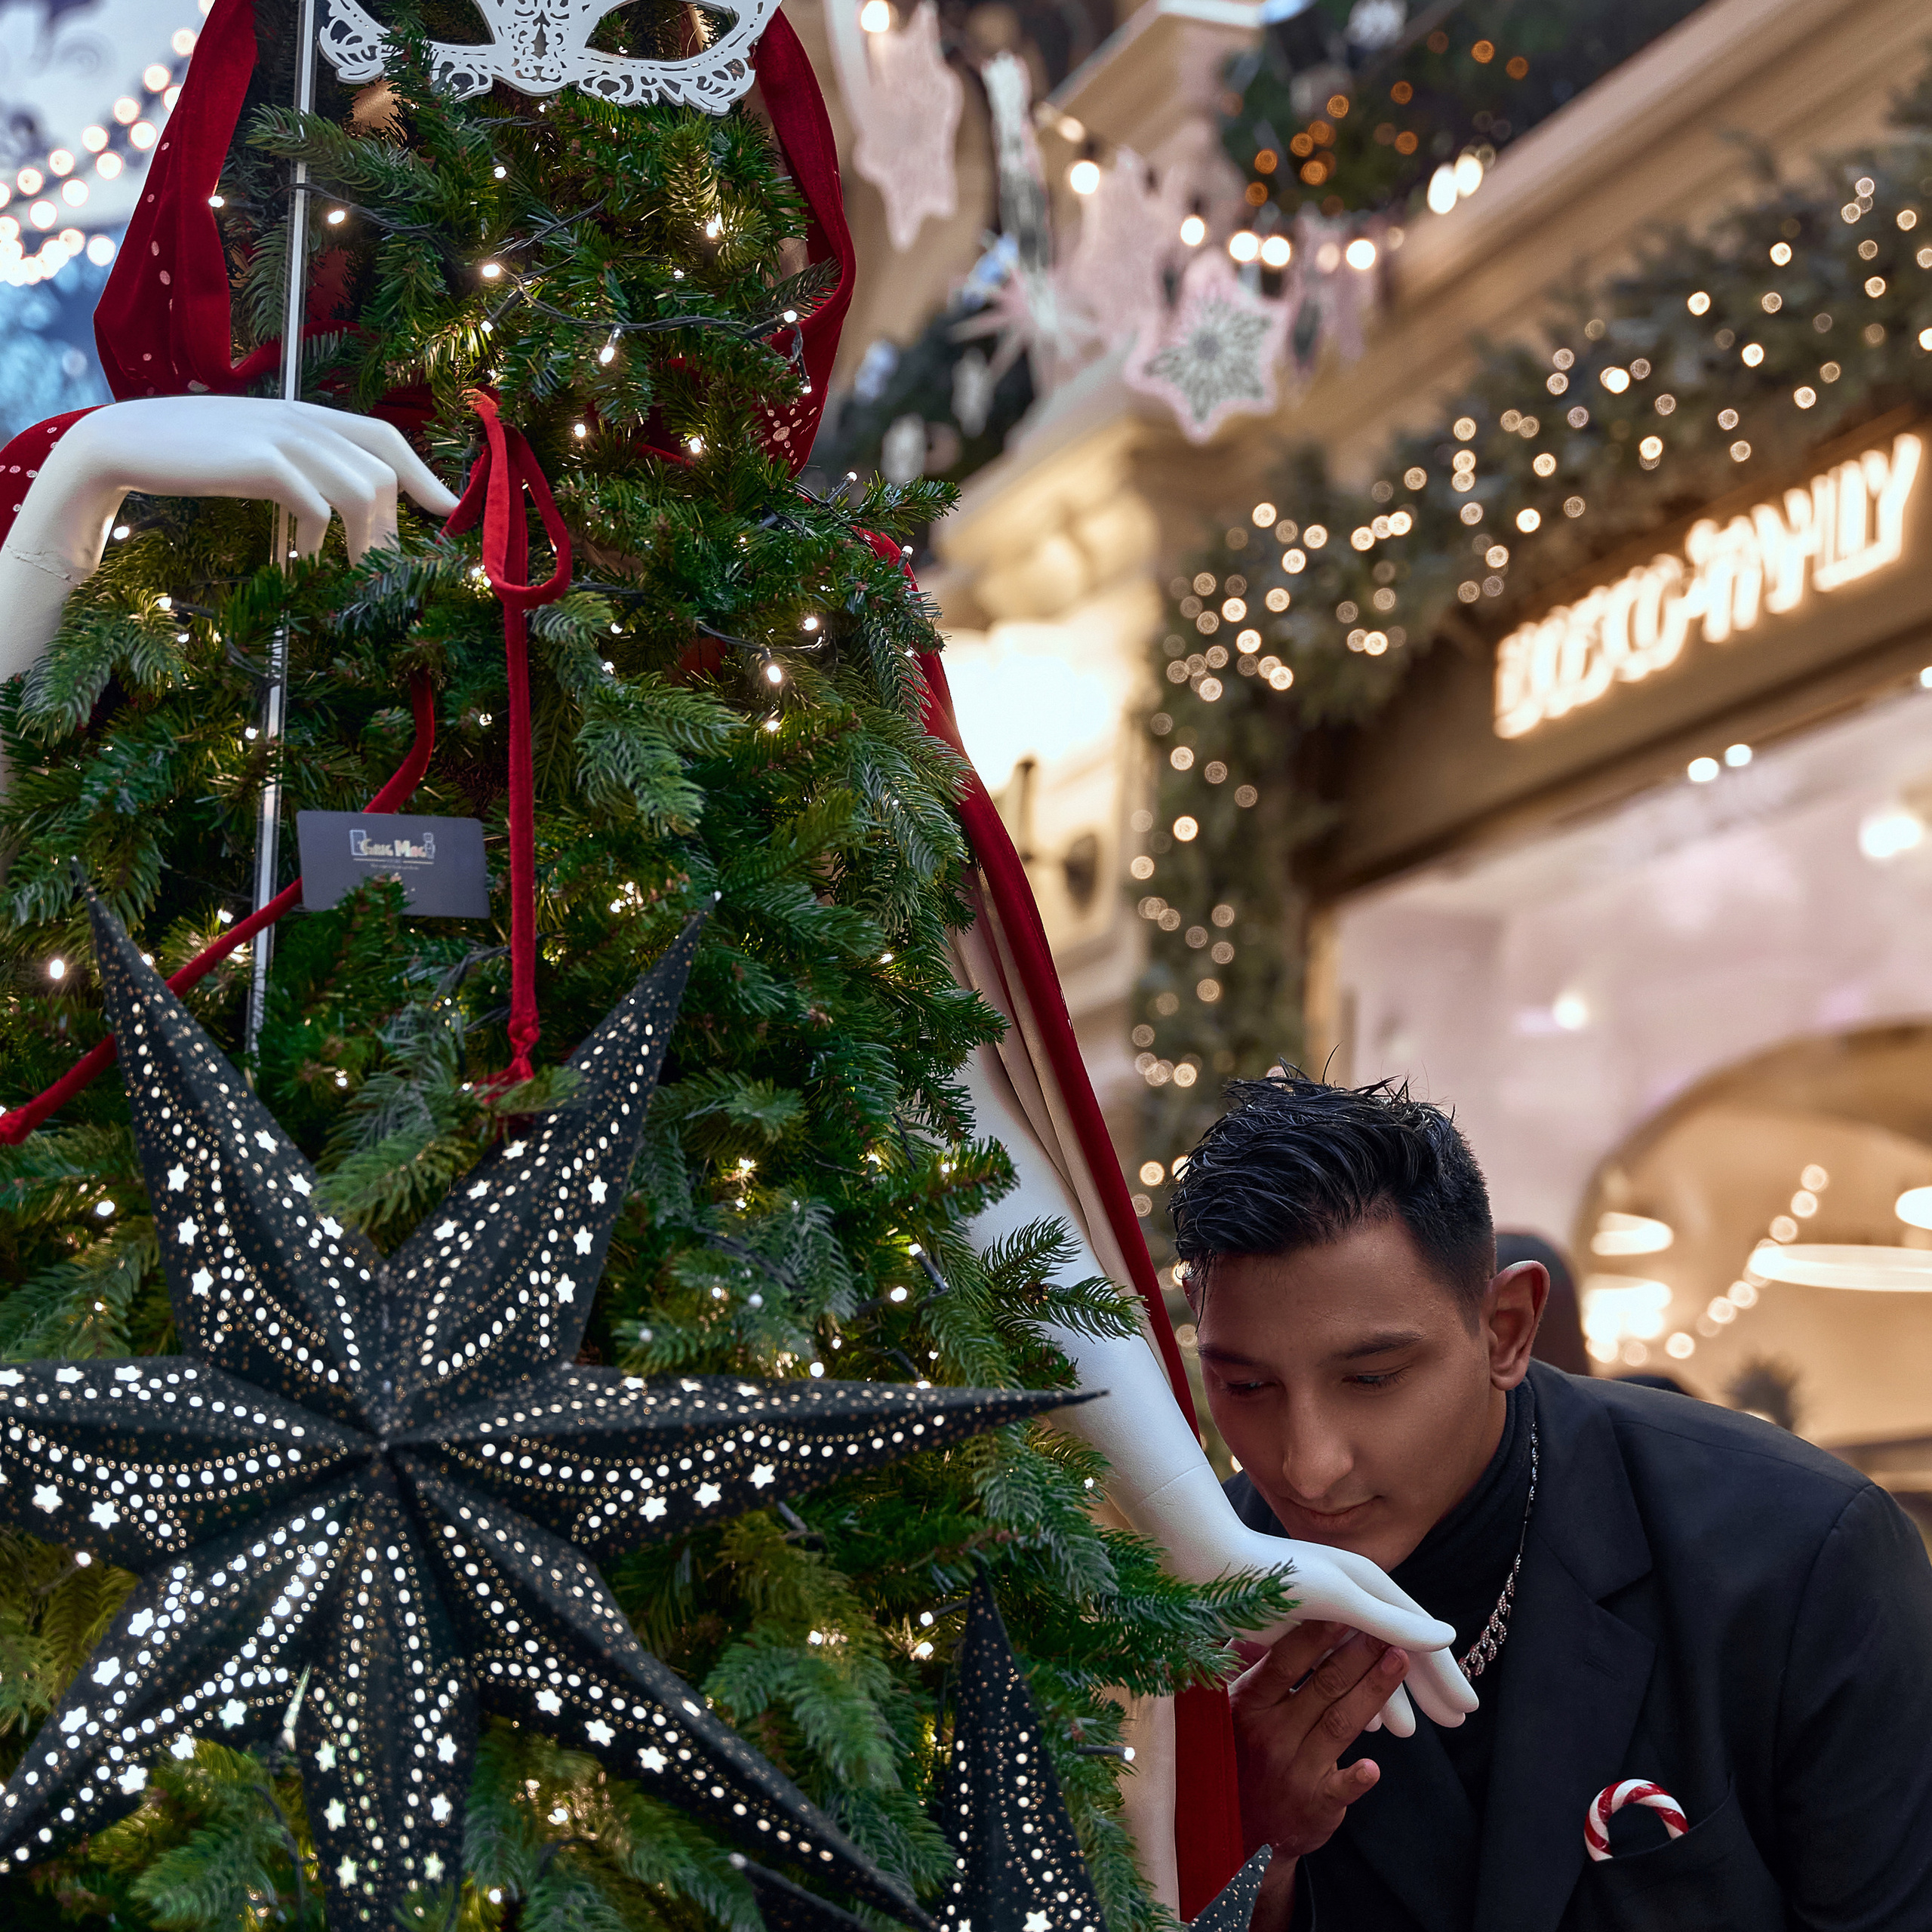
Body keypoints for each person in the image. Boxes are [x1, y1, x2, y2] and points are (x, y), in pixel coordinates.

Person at [1174, 1072, 1932, 1932]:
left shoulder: (1794, 1557)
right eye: (1245, 1384)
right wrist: (1242, 1842)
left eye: (1372, 1377)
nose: (1307, 1466)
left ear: (1505, 1330)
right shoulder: (1180, 1600)